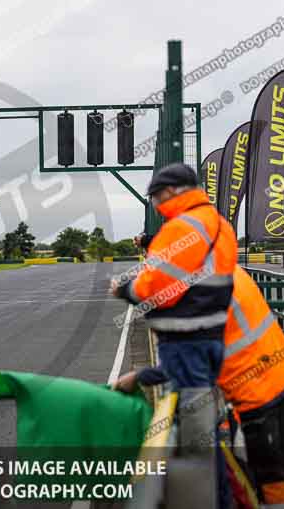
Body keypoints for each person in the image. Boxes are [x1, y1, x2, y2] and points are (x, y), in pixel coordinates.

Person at [114, 266, 284, 507]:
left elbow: (185, 360)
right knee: (279, 467)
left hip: (254, 390)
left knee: (264, 472)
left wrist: (139, 376)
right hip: (277, 373)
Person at [109, 163, 237, 508]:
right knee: (204, 437)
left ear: (170, 192)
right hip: (210, 337)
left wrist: (125, 289)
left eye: (155, 197)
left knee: (195, 443)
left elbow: (159, 283)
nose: (155, 205)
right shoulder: (218, 225)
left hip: (184, 340)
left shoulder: (183, 226)